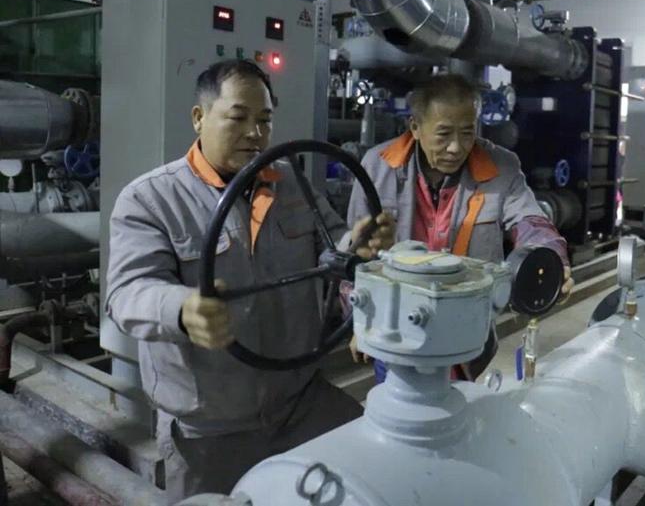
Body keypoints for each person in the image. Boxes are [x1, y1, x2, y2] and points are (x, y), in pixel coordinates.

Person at [105, 59, 394, 500]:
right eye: (238, 118)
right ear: (199, 118)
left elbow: (332, 246)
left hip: (299, 403)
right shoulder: (150, 200)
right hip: (209, 427)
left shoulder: (292, 183)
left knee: (372, 477)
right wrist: (182, 310)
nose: (255, 133)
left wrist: (356, 242)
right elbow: (127, 293)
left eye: (265, 120)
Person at [346, 73, 573, 380]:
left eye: (467, 133)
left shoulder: (501, 168)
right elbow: (356, 256)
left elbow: (530, 221)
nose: (456, 147)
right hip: (395, 328)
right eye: (443, 134)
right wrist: (361, 321)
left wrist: (551, 259)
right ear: (415, 127)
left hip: (469, 331)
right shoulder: (377, 167)